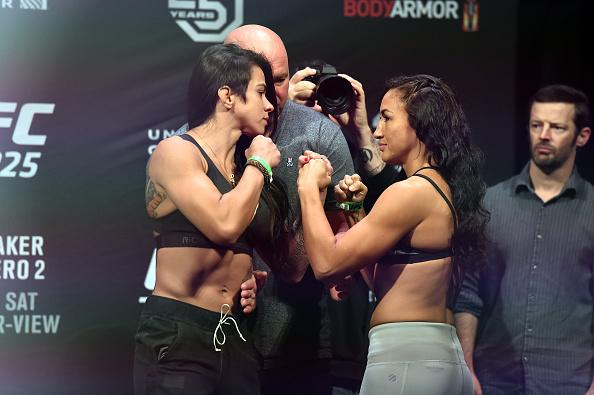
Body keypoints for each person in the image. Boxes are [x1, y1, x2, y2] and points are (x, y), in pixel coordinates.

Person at [297, 74, 489, 395]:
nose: (377, 130)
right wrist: (355, 212)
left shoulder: (410, 192)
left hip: (407, 361)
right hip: (433, 356)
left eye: (386, 118)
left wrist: (308, 188)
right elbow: (384, 281)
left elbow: (327, 265)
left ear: (421, 125)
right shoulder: (442, 186)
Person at [134, 43, 292, 395]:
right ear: (228, 96)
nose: (270, 105)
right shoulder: (177, 152)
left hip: (236, 334)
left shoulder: (242, 170)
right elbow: (223, 225)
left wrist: (248, 274)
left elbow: (287, 262)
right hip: (180, 334)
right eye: (261, 92)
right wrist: (261, 164)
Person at [223, 25, 364, 395]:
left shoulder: (319, 135)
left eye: (281, 80)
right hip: (214, 345)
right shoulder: (201, 143)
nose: (272, 95)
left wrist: (341, 257)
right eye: (260, 83)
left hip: (298, 347)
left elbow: (345, 234)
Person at [454, 84, 594, 395]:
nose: (544, 135)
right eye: (536, 125)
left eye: (556, 127)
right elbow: (468, 294)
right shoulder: (490, 204)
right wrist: (467, 369)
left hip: (570, 382)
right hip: (494, 380)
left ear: (581, 136)